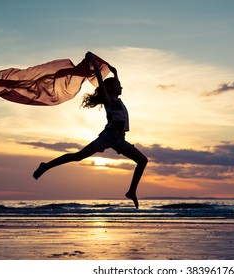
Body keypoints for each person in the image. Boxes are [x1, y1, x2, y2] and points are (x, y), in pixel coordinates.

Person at [33, 52, 148, 209]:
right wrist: (93, 61)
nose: (121, 86)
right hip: (108, 137)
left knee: (142, 161)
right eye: (117, 85)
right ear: (110, 89)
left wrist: (114, 71)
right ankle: (45, 166)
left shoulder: (117, 98)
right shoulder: (109, 100)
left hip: (119, 140)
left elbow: (115, 78)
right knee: (78, 156)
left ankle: (131, 191)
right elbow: (101, 81)